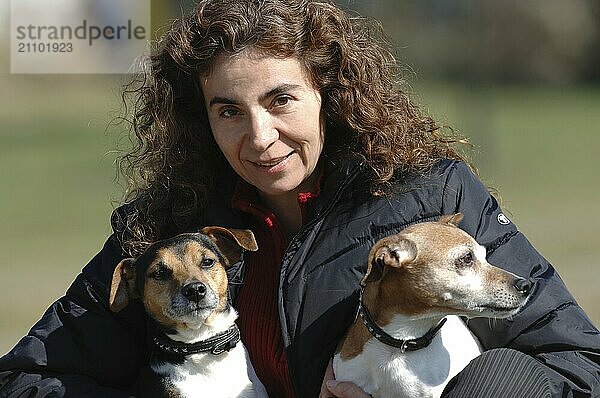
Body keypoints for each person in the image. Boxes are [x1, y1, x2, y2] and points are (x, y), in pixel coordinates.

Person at [1, 0, 599, 397]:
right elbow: (28, 378)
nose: (259, 137)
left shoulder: (435, 197)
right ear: (197, 119)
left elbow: (578, 365)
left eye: (281, 100)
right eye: (229, 111)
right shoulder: (163, 230)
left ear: (328, 93)